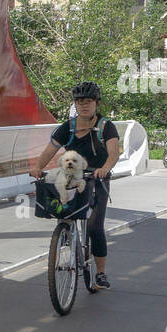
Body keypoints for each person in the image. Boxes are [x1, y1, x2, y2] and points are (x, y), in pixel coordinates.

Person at [30, 80, 121, 289]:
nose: (84, 105)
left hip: (97, 179)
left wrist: (105, 168)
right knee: (64, 214)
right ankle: (66, 242)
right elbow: (49, 150)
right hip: (71, 179)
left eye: (88, 101)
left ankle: (99, 274)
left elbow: (114, 152)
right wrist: (37, 167)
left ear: (97, 103)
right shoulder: (68, 127)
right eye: (80, 102)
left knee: (95, 226)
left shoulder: (106, 126)